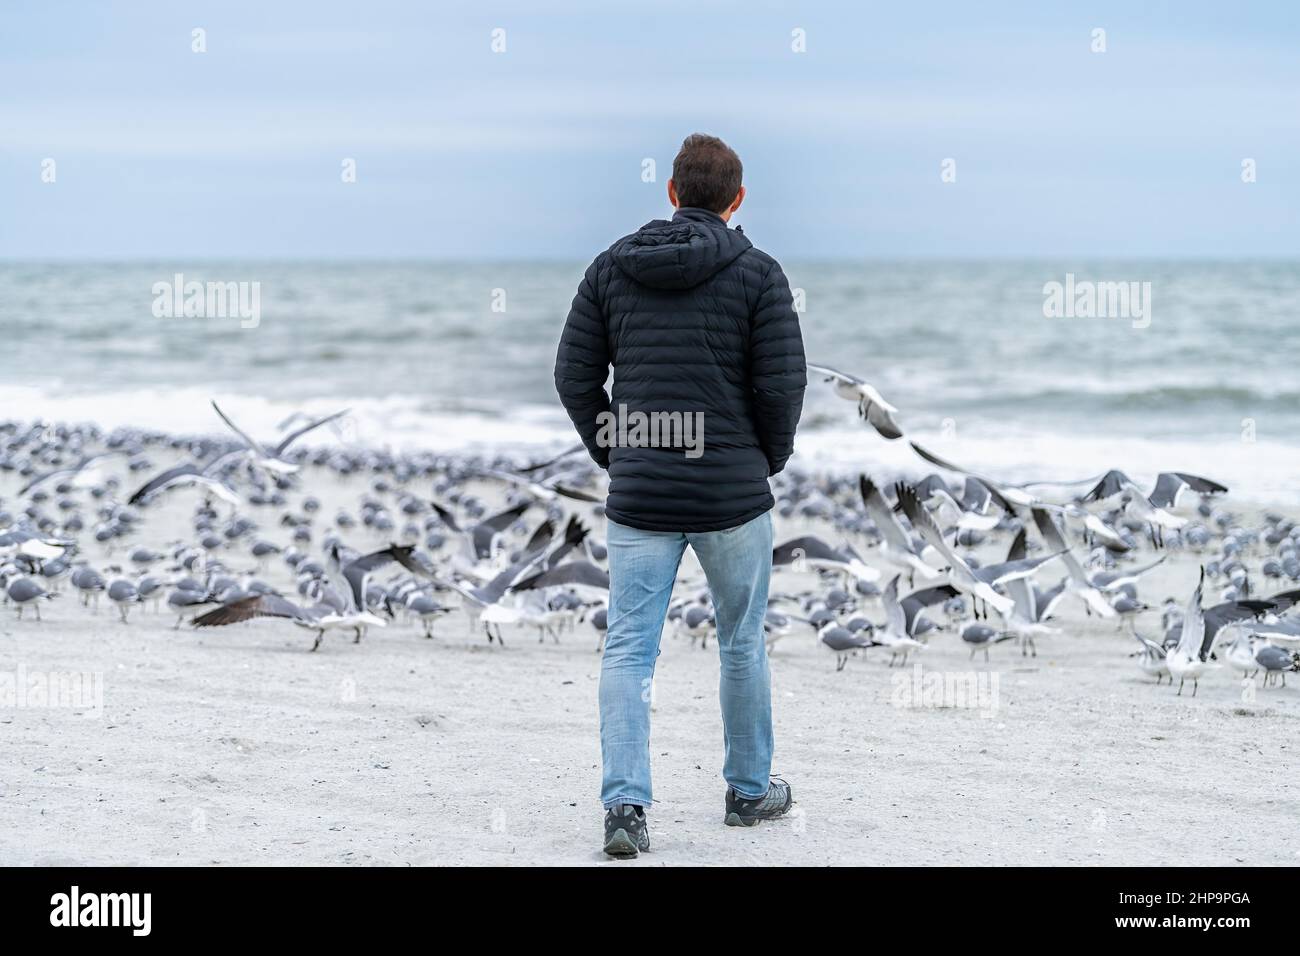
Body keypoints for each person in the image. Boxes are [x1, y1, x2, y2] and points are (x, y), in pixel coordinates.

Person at [554, 133, 807, 857]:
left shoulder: (611, 269)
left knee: (629, 650)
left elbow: (573, 378)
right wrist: (766, 459)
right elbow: (783, 385)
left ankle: (625, 810)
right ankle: (750, 792)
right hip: (733, 495)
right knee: (741, 642)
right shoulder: (759, 273)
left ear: (670, 194)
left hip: (641, 494)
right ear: (737, 200)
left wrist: (616, 449)